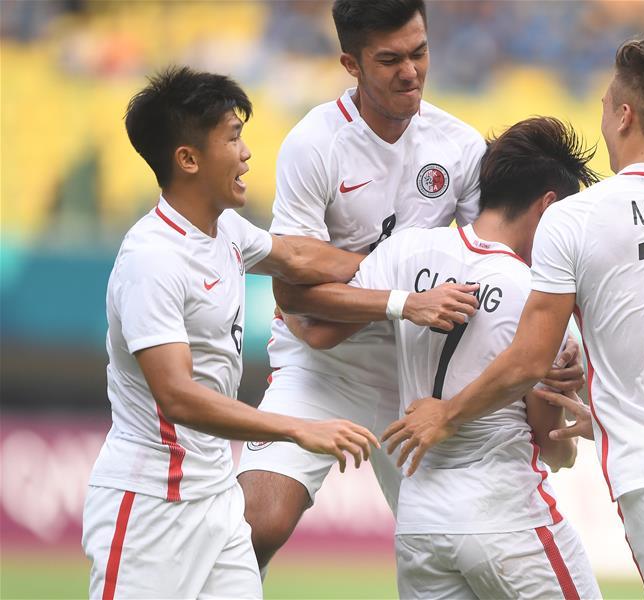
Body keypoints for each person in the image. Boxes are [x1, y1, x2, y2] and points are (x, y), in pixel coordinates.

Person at [384, 38, 644, 599]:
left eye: (608, 104)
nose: (604, 116)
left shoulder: (572, 220)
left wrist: (448, 413)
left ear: (625, 115)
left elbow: (530, 358)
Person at [235, 0, 584, 571]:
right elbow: (297, 303)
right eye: (390, 59)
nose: (411, 71)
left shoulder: (460, 145)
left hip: (419, 373)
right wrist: (397, 289)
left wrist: (549, 353)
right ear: (351, 63)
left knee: (471, 543)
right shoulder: (315, 143)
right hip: (326, 368)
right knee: (256, 526)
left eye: (420, 52)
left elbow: (490, 268)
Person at [82, 66, 380, 599]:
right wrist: (295, 429)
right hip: (152, 503)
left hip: (217, 497)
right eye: (234, 138)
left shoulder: (226, 230)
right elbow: (177, 397)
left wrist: (399, 269)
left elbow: (296, 256)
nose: (246, 154)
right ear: (188, 159)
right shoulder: (152, 260)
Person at [291, 117, 602, 599]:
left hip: (420, 524)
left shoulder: (405, 251)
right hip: (505, 515)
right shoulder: (541, 296)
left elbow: (318, 329)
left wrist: (287, 308)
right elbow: (550, 441)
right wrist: (570, 437)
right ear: (549, 207)